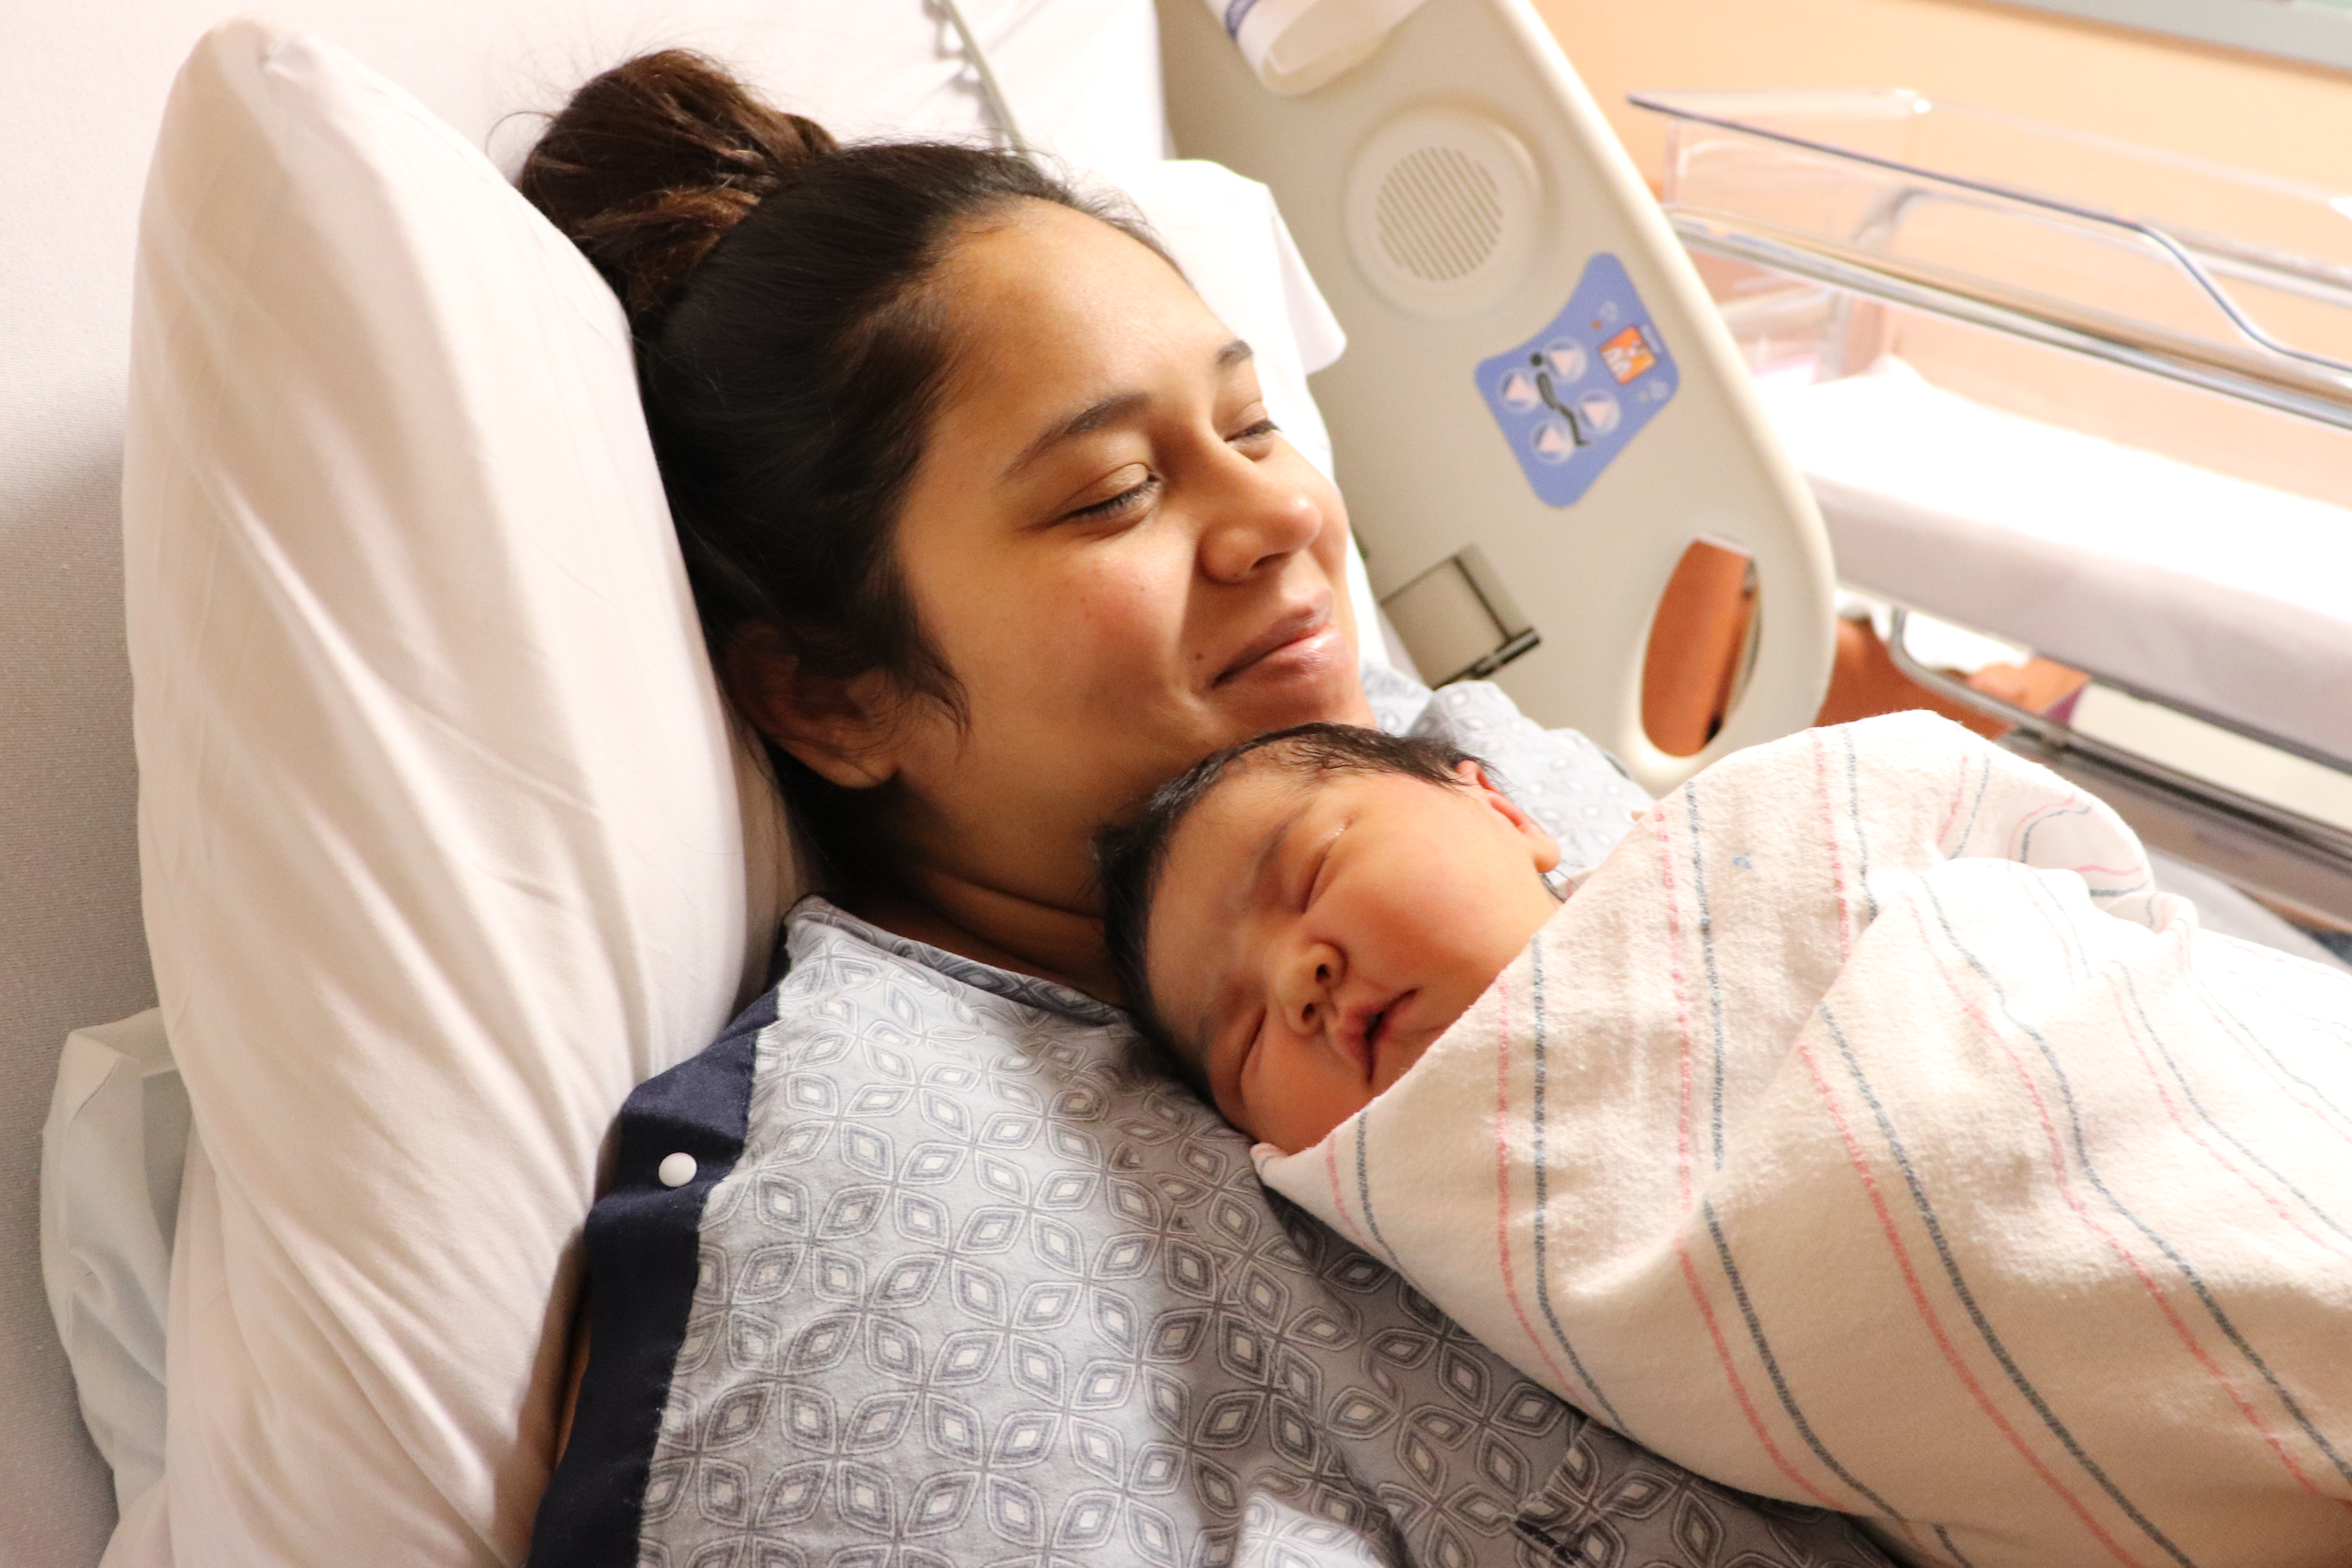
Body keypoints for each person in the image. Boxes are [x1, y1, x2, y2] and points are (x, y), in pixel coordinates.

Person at [516, 50, 1892, 1568]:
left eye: (1249, 428)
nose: (1285, 516)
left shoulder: (1474, 768)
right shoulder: (888, 1214)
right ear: (835, 695)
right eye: (1111, 492)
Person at [1096, 712, 2352, 1568]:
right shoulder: (1412, 1211)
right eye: (1241, 1031)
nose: (1295, 973)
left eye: (1310, 869)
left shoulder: (1750, 835)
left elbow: (2034, 843)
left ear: (1501, 804)